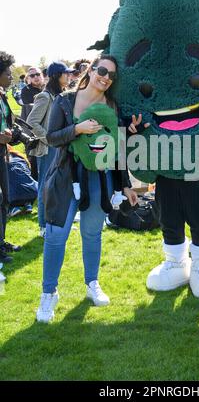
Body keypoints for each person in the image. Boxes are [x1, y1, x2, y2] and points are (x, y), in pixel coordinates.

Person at [36, 54, 138, 323]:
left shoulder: (112, 106)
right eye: (102, 70)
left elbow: (115, 149)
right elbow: (51, 138)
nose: (106, 77)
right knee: (56, 235)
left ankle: (92, 283)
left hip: (99, 180)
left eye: (112, 75)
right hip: (65, 179)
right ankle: (49, 293)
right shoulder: (65, 100)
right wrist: (77, 129)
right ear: (92, 70)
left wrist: (125, 185)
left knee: (92, 234)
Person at [27, 61, 75, 238]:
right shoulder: (45, 96)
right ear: (57, 75)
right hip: (48, 149)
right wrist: (48, 138)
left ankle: (56, 222)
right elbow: (32, 122)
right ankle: (43, 225)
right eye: (65, 73)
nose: (69, 76)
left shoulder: (62, 95)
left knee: (59, 186)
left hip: (60, 146)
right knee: (45, 188)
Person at [0, 51, 22, 265]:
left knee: (5, 199)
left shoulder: (2, 96)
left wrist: (11, 135)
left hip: (2, 153)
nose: (10, 77)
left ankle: (1, 240)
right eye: (7, 73)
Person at [21, 67, 45, 181]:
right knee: (33, 157)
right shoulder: (26, 90)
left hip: (45, 127)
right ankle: (35, 182)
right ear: (28, 79)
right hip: (31, 129)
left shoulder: (46, 88)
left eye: (37, 74)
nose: (35, 77)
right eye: (32, 75)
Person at [7, 146, 37, 217]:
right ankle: (28, 204)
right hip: (33, 191)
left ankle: (12, 208)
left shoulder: (3, 160)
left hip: (15, 195)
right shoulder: (21, 157)